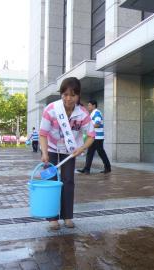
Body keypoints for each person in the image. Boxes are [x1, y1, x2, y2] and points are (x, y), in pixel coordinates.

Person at [39, 77, 95, 230]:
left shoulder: (82, 113)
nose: (68, 99)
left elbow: (91, 135)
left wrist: (82, 148)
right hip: (50, 148)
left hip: (70, 151)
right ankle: (52, 218)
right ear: (61, 94)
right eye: (65, 94)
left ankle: (68, 216)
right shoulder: (51, 109)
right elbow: (43, 133)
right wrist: (44, 153)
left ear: (78, 95)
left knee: (68, 181)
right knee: (50, 181)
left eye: (72, 95)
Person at [77, 100, 111, 174]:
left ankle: (88, 169)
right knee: (92, 152)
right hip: (95, 136)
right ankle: (87, 169)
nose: (88, 107)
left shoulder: (97, 113)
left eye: (89, 105)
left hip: (97, 137)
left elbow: (97, 124)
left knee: (97, 152)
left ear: (94, 106)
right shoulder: (92, 113)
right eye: (88, 105)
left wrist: (88, 127)